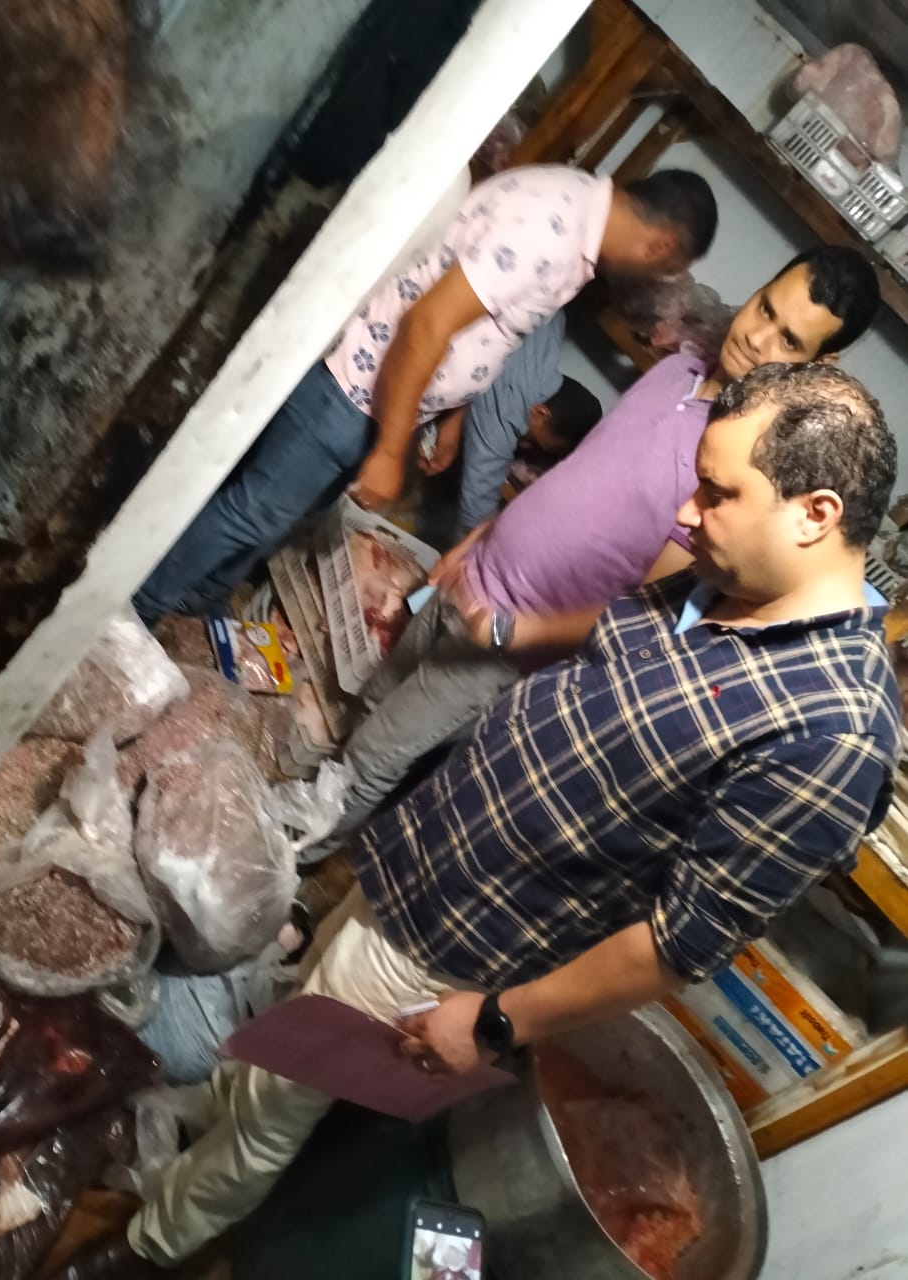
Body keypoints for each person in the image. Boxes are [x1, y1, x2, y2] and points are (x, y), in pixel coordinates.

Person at [91, 361, 897, 1276]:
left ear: (814, 514)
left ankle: (147, 1244)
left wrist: (492, 1025)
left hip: (463, 942)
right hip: (425, 857)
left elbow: (674, 945)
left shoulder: (829, 734)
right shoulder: (719, 579)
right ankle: (208, 1128)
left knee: (278, 1102)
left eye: (718, 493)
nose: (685, 511)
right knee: (289, 1033)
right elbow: (602, 651)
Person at [301, 245, 881, 863]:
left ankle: (283, 870)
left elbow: (648, 609)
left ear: (821, 362)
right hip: (475, 576)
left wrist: (515, 631)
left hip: (508, 642)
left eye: (789, 340)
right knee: (370, 704)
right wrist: (479, 538)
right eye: (765, 308)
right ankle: (298, 827)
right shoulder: (678, 370)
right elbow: (577, 477)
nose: (757, 338)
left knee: (373, 758)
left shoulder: (740, 461)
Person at [132, 165, 718, 623]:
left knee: (279, 514)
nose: (654, 281)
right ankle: (137, 609)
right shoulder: (554, 230)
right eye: (666, 270)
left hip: (376, 398)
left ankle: (198, 598)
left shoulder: (573, 213)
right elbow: (427, 324)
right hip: (354, 387)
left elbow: (482, 323)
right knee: (252, 512)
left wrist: (450, 415)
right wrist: (390, 451)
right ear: (661, 246)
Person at [417, 311, 602, 538]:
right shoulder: (506, 417)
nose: (524, 445)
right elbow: (476, 515)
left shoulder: (553, 324)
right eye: (534, 442)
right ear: (541, 413)